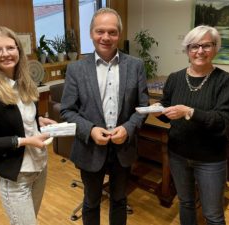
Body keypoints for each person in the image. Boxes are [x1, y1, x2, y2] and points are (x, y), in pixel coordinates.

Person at [60, 8, 148, 225]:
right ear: (91, 33)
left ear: (119, 34)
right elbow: (67, 110)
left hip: (123, 148)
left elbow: (143, 107)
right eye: (100, 31)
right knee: (91, 202)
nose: (106, 37)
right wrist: (89, 129)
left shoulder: (136, 66)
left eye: (112, 32)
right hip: (90, 148)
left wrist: (128, 128)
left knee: (119, 200)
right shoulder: (76, 69)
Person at [151, 25, 229, 225]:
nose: (200, 51)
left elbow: (223, 121)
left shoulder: (225, 81)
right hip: (178, 154)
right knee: (186, 203)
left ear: (215, 48)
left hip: (210, 159)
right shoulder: (175, 78)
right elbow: (168, 112)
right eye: (194, 46)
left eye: (206, 46)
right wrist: (159, 111)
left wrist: (189, 112)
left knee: (213, 215)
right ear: (187, 50)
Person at [0, 26, 56, 225]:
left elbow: (19, 119)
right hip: (16, 177)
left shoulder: (25, 82)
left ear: (19, 49)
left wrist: (38, 121)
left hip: (40, 168)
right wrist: (25, 140)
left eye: (10, 47)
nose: (6, 54)